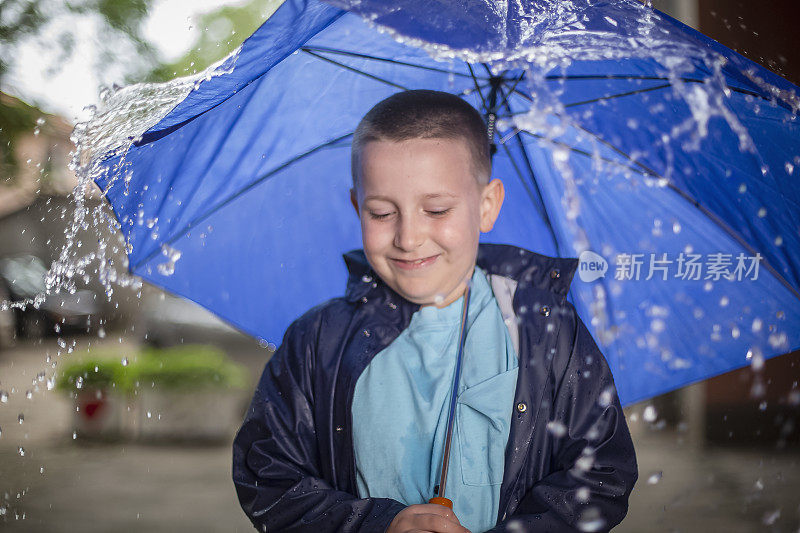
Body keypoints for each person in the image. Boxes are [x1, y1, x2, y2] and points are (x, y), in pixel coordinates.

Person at [232, 90, 638, 532]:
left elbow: (600, 475)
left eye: (437, 209)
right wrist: (375, 524)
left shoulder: (547, 328)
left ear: (486, 206)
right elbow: (268, 475)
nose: (409, 237)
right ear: (357, 207)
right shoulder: (318, 340)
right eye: (382, 213)